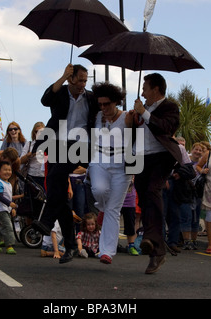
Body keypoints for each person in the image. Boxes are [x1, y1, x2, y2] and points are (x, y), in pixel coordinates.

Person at [32, 64, 99, 264]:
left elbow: (107, 106)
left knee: (55, 177)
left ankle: (46, 221)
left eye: (86, 80)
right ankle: (69, 246)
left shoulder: (90, 97)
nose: (83, 84)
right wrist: (62, 77)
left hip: (81, 145)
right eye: (79, 79)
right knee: (58, 195)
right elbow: (45, 100)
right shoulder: (60, 91)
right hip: (56, 144)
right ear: (71, 78)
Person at [129, 73, 182, 274]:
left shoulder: (169, 107)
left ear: (156, 89)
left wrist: (144, 113)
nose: (142, 92)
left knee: (153, 192)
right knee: (144, 200)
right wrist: (133, 117)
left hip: (161, 157)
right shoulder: (142, 110)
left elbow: (166, 127)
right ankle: (156, 251)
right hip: (141, 158)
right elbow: (134, 133)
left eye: (145, 88)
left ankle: (151, 238)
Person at [86, 82, 132, 265]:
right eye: (101, 104)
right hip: (99, 160)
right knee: (98, 190)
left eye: (107, 104)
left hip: (122, 165)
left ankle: (106, 252)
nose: (103, 108)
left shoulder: (128, 117)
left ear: (116, 102)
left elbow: (137, 141)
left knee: (114, 209)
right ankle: (101, 208)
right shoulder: (96, 116)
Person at [20, 122, 46, 188]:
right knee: (30, 197)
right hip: (32, 176)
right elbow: (20, 161)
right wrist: (30, 155)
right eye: (36, 131)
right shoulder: (29, 144)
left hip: (45, 177)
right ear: (33, 133)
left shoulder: (49, 145)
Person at [121, 177, 140, 255]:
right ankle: (110, 245)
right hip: (117, 197)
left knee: (130, 222)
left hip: (130, 198)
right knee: (112, 222)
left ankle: (131, 245)